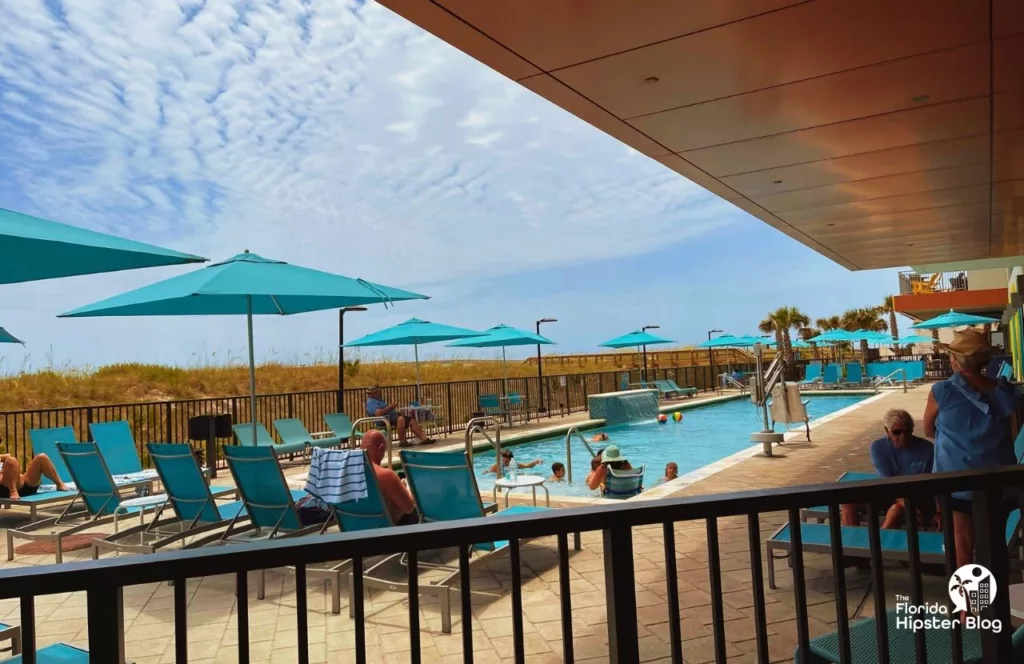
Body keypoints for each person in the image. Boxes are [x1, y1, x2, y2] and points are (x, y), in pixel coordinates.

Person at [923, 329, 1020, 568]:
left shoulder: (942, 391)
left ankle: (966, 603)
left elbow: (928, 430)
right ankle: (994, 600)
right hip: (999, 482)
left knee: (962, 543)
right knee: (995, 543)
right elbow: (1014, 431)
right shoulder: (1006, 393)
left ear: (956, 360)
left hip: (958, 483)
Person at [841, 409, 935, 529]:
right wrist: (905, 503)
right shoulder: (878, 447)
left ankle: (878, 546)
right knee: (848, 504)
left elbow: (931, 485)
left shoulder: (927, 449)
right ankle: (852, 543)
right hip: (889, 492)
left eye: (907, 432)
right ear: (887, 431)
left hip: (915, 496)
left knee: (895, 511)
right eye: (897, 432)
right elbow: (888, 482)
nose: (903, 437)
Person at [360, 430, 419, 526]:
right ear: (381, 448)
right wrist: (406, 490)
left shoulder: (347, 472)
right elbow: (409, 508)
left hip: (355, 530)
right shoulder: (386, 475)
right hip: (383, 531)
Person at [365, 385, 435, 447]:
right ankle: (402, 441)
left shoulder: (378, 400)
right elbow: (378, 413)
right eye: (378, 391)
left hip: (391, 417)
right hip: (384, 420)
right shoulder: (371, 402)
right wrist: (391, 407)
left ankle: (423, 438)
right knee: (401, 419)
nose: (380, 393)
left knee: (411, 420)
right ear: (373, 393)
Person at [0, 452, 66, 500]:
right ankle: (13, 490)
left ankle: (59, 484)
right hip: (5, 488)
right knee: (11, 461)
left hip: (23, 483)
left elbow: (8, 455)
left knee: (42, 457)